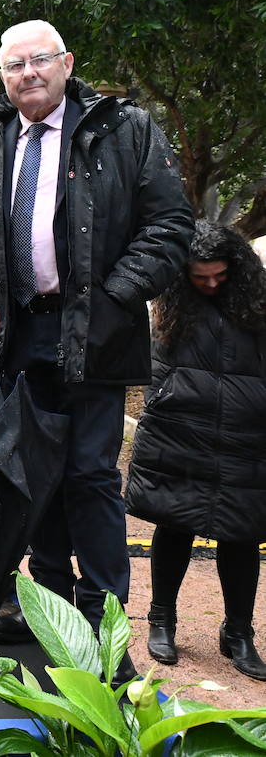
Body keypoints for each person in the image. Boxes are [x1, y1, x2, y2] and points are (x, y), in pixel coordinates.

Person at [0, 20, 192, 678]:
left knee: (88, 477)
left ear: (66, 63)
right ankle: (50, 617)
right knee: (34, 482)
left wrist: (111, 297)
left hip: (97, 332)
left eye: (38, 61)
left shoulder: (124, 129)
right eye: (13, 65)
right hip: (15, 335)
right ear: (1, 76)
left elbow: (170, 226)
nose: (26, 74)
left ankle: (104, 637)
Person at [126, 222, 266, 681]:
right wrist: (162, 399)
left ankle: (238, 632)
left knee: (243, 533)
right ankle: (162, 619)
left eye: (219, 276)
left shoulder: (257, 301)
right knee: (176, 522)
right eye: (200, 275)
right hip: (184, 426)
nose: (209, 283)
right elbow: (157, 361)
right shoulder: (174, 299)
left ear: (237, 269)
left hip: (248, 431)